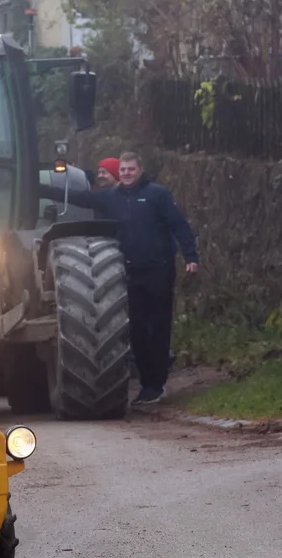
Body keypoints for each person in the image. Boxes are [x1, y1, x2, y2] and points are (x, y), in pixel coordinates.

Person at [39, 151, 198, 404]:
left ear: (140, 170)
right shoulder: (110, 197)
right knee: (134, 329)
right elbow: (81, 197)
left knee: (157, 327)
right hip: (127, 271)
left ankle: (156, 385)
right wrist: (41, 189)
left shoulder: (158, 195)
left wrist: (191, 257)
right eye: (123, 170)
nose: (126, 174)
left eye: (131, 170)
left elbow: (179, 225)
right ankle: (147, 384)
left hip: (159, 269)